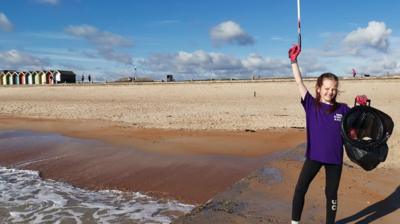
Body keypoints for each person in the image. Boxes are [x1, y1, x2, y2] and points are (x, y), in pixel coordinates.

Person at [288, 44, 350, 224]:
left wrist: (361, 107)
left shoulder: (343, 109)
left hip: (335, 159)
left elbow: (356, 125)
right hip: (314, 156)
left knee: (331, 194)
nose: (330, 92)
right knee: (300, 188)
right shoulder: (310, 104)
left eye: (333, 89)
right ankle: (295, 222)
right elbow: (299, 82)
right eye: (327, 88)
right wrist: (294, 60)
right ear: (318, 88)